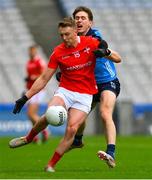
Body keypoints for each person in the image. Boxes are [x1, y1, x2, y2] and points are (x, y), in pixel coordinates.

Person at [9, 17, 111, 172]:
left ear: (75, 31)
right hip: (66, 91)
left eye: (67, 34)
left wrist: (104, 48)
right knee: (50, 114)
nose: (64, 38)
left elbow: (105, 47)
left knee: (71, 129)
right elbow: (43, 78)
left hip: (85, 95)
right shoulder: (58, 52)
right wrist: (25, 97)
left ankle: (50, 165)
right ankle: (28, 138)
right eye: (61, 35)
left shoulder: (89, 43)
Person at [56, 6, 121, 168]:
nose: (79, 20)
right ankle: (78, 141)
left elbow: (118, 58)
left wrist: (104, 52)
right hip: (88, 84)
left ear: (90, 22)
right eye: (77, 17)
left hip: (107, 81)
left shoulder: (95, 36)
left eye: (83, 18)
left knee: (105, 113)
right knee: (76, 117)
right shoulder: (71, 39)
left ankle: (111, 153)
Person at [25, 45, 49, 143]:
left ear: (36, 52)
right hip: (30, 89)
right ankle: (35, 136)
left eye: (33, 51)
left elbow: (44, 74)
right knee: (30, 114)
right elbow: (29, 75)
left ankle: (44, 130)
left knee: (31, 113)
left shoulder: (39, 61)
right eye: (30, 51)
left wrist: (34, 77)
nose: (31, 53)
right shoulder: (28, 62)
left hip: (38, 90)